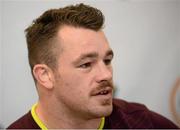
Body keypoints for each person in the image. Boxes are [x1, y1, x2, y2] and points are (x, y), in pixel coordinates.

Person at [8, 3, 178, 129]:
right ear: (45, 75)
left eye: (107, 61)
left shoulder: (142, 123)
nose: (106, 75)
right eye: (86, 64)